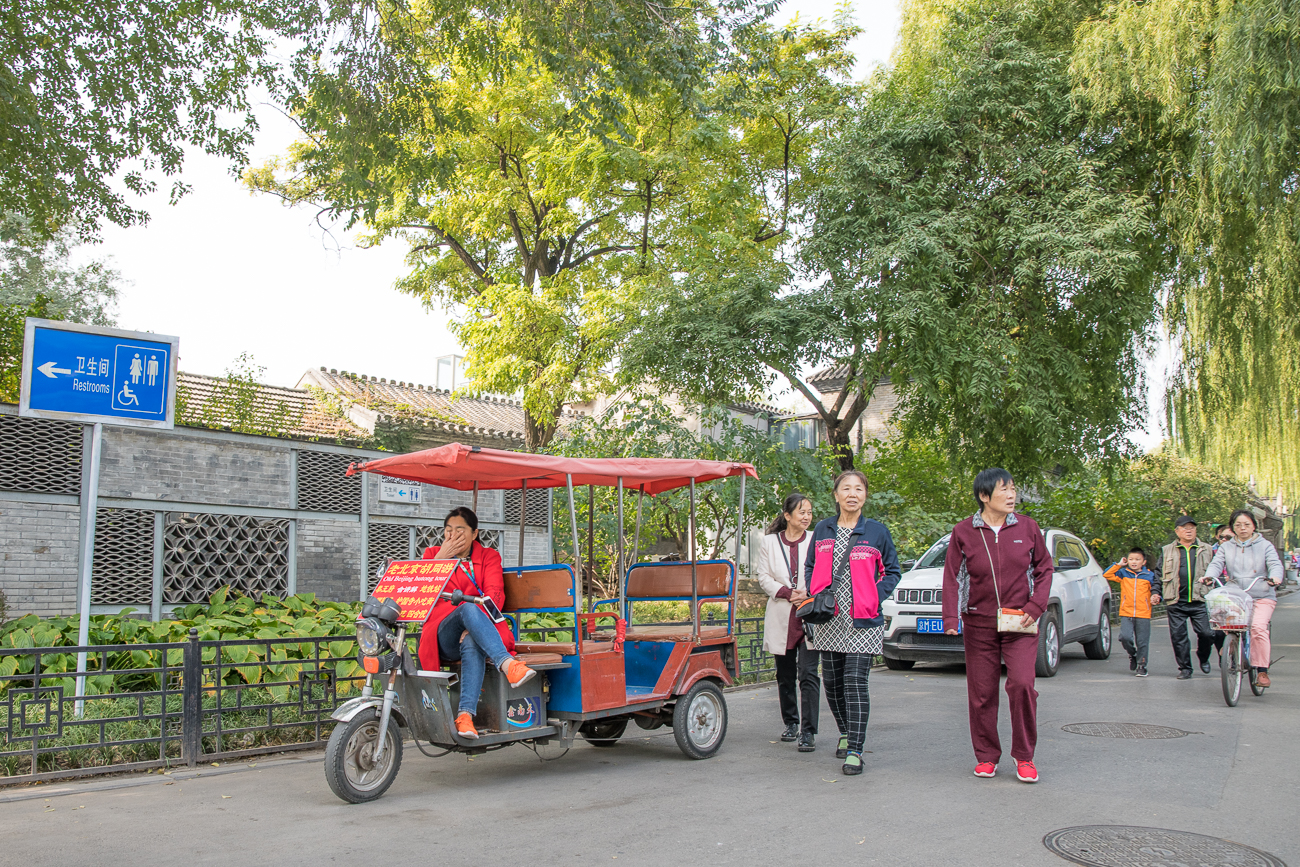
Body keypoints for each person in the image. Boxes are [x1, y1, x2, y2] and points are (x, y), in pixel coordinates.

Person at [941, 468, 1053, 784]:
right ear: (984, 496)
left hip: (1021, 621)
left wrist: (1036, 605)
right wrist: (951, 617)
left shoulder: (1028, 528)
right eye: (1004, 489)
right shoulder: (963, 532)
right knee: (981, 693)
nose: (1012, 494)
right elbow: (952, 575)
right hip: (978, 623)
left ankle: (1025, 757)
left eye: (1013, 488)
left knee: (1021, 685)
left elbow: (1044, 569)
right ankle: (987, 757)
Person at [802, 470, 902, 776]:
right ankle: (845, 731)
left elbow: (893, 571)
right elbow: (809, 566)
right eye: (846, 488)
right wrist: (816, 593)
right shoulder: (823, 529)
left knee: (855, 683)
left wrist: (874, 595)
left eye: (858, 489)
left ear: (865, 496)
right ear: (836, 495)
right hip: (829, 621)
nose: (852, 493)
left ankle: (856, 750)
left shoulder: (876, 532)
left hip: (863, 620)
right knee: (832, 684)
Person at [416, 507, 534, 739]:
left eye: (460, 530)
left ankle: (465, 716)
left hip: (479, 629)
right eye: (448, 531)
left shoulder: (488, 557)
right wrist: (442, 558)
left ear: (474, 533)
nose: (452, 536)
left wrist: (471, 625)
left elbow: (494, 596)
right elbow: (421, 592)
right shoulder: (432, 554)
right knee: (467, 607)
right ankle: (508, 664)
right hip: (443, 634)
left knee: (471, 638)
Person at [756, 493, 820, 751]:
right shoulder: (770, 542)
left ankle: (808, 731)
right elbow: (763, 576)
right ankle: (791, 723)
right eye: (801, 512)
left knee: (808, 675)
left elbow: (823, 571)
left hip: (809, 614)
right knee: (785, 675)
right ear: (787, 515)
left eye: (809, 512)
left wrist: (809, 593)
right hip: (782, 613)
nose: (806, 516)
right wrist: (786, 593)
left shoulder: (816, 539)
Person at [1201, 510, 1284, 687]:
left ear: (1254, 526)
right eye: (1238, 525)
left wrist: (1275, 577)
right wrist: (1209, 576)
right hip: (1237, 596)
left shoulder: (1265, 545)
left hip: (1262, 595)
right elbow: (1216, 564)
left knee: (1258, 628)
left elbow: (1275, 564)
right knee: (1224, 619)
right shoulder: (1226, 547)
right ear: (1233, 528)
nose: (1243, 528)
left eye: (1246, 524)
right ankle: (1232, 644)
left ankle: (1262, 671)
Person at [1153, 516, 1219, 679]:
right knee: (1178, 637)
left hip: (1201, 599)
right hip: (1175, 600)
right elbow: (1158, 573)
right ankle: (1185, 668)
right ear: (1177, 531)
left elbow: (1217, 571)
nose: (1189, 530)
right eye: (1184, 527)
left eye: (1192, 527)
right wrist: (1156, 592)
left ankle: (1203, 657)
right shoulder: (1167, 550)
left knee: (1207, 633)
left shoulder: (1207, 549)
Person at [1103, 547, 1161, 677]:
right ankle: (1132, 654)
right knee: (1125, 637)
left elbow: (1156, 589)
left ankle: (1142, 665)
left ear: (1144, 562)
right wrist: (1118, 565)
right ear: (1127, 560)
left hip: (1143, 613)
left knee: (1142, 641)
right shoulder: (1123, 573)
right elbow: (1106, 574)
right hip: (1126, 612)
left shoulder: (1149, 576)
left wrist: (1156, 597)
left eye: (1137, 559)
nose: (1134, 562)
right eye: (1131, 559)